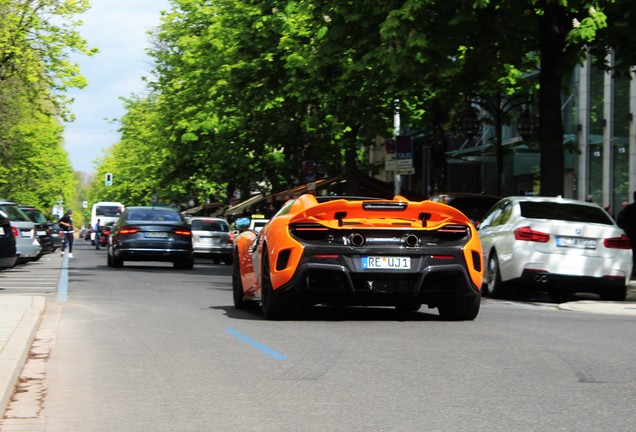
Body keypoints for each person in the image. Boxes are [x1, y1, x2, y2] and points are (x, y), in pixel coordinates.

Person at [617, 192, 636, 273]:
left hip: (631, 234)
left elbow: (621, 221)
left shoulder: (628, 208)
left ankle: (632, 268)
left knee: (632, 252)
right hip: (632, 233)